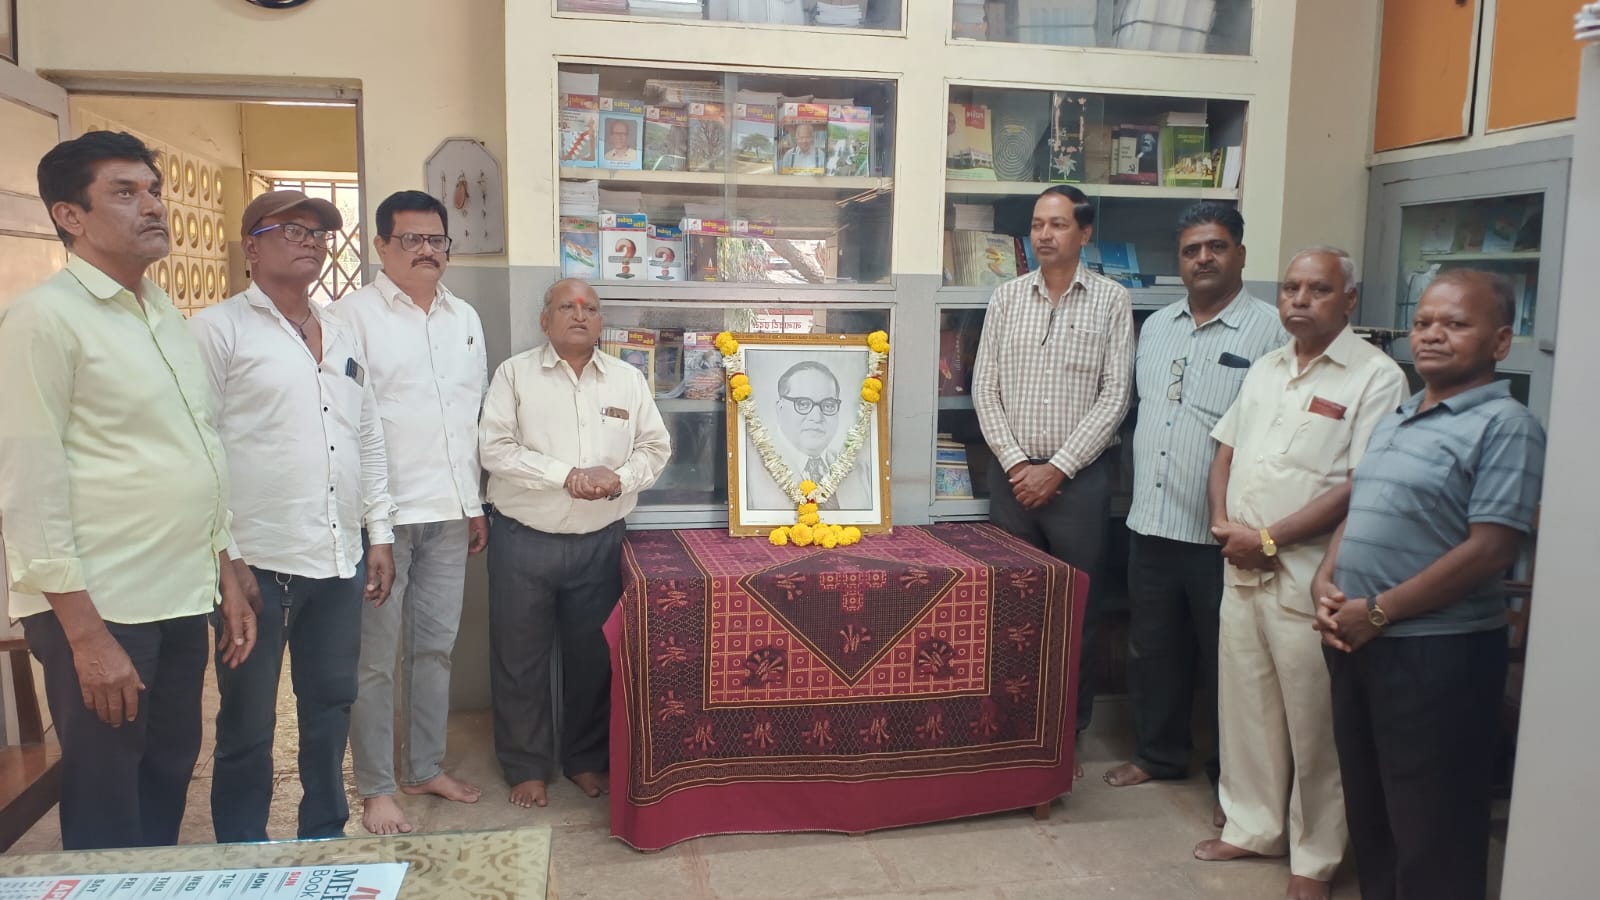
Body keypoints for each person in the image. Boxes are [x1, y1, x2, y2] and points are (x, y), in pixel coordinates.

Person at [0, 131, 254, 850]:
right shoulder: (43, 320)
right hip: (103, 604)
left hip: (177, 592)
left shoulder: (161, 312)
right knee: (108, 796)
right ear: (69, 215)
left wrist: (226, 568)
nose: (153, 207)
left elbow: (196, 448)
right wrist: (85, 637)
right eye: (124, 192)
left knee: (166, 773)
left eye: (153, 191)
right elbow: (27, 484)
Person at [1314, 270, 1544, 900]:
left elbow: (1491, 548)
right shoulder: (1397, 417)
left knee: (1432, 829)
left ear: (1500, 342)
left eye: (1456, 324)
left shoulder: (1507, 425)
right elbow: (1360, 508)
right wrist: (1325, 579)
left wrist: (1378, 612)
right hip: (1358, 645)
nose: (1432, 335)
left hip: (1438, 655)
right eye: (1423, 323)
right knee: (1373, 817)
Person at [1195, 247, 1408, 900]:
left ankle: (1314, 858)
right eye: (1290, 288)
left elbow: (1362, 485)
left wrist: (1269, 538)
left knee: (1315, 727)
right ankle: (1253, 826)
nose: (1299, 300)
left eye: (1319, 289)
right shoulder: (1266, 367)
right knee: (1246, 708)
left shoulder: (1376, 378)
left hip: (1309, 576)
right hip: (1242, 566)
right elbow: (1225, 451)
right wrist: (1223, 524)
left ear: (1350, 299)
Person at [191, 190, 397, 843]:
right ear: (251, 246)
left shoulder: (342, 332)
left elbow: (367, 435)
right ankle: (242, 852)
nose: (311, 241)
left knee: (330, 707)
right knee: (248, 723)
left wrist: (379, 533)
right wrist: (225, 560)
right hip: (256, 565)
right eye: (294, 230)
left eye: (320, 233)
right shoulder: (218, 330)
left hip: (338, 560)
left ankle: (323, 836)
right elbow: (197, 447)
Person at [1104, 204, 1286, 825]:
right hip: (1151, 522)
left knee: (1228, 662)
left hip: (1222, 533)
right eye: (1191, 250)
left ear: (1240, 253)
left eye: (1216, 246)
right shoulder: (1156, 327)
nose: (1203, 258)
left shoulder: (1271, 332)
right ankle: (1159, 755)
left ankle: (1233, 784)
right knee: (1152, 650)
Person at [332, 190, 489, 836]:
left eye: (437, 240)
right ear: (381, 246)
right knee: (374, 661)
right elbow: (348, 425)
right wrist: (375, 527)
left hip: (450, 516)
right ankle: (376, 787)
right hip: (383, 523)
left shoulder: (464, 318)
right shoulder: (350, 318)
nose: (427, 250)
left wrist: (473, 504)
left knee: (435, 651)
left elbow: (468, 419)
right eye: (411, 239)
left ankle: (424, 766)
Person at [480, 278, 670, 809]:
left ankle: (584, 759)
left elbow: (655, 448)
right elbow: (495, 449)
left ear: (600, 321)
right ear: (545, 320)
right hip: (524, 541)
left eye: (590, 308)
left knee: (592, 658)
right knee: (519, 658)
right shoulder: (515, 374)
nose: (580, 315)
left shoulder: (628, 380)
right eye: (567, 306)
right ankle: (526, 766)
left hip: (599, 543)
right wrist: (566, 476)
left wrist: (619, 478)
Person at [971, 184, 1135, 753]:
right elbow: (984, 388)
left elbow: (1115, 396)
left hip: (1079, 484)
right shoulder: (1006, 298)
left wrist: (1058, 469)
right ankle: (1011, 729)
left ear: (1084, 233)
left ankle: (1067, 736)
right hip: (1012, 482)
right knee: (1012, 607)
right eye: (1038, 224)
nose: (1045, 234)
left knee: (1075, 612)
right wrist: (1018, 463)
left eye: (1058, 224)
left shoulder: (1111, 301)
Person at [743, 360, 874, 511]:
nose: (816, 417)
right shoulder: (749, 473)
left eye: (828, 405)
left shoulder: (860, 473)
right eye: (803, 404)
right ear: (780, 408)